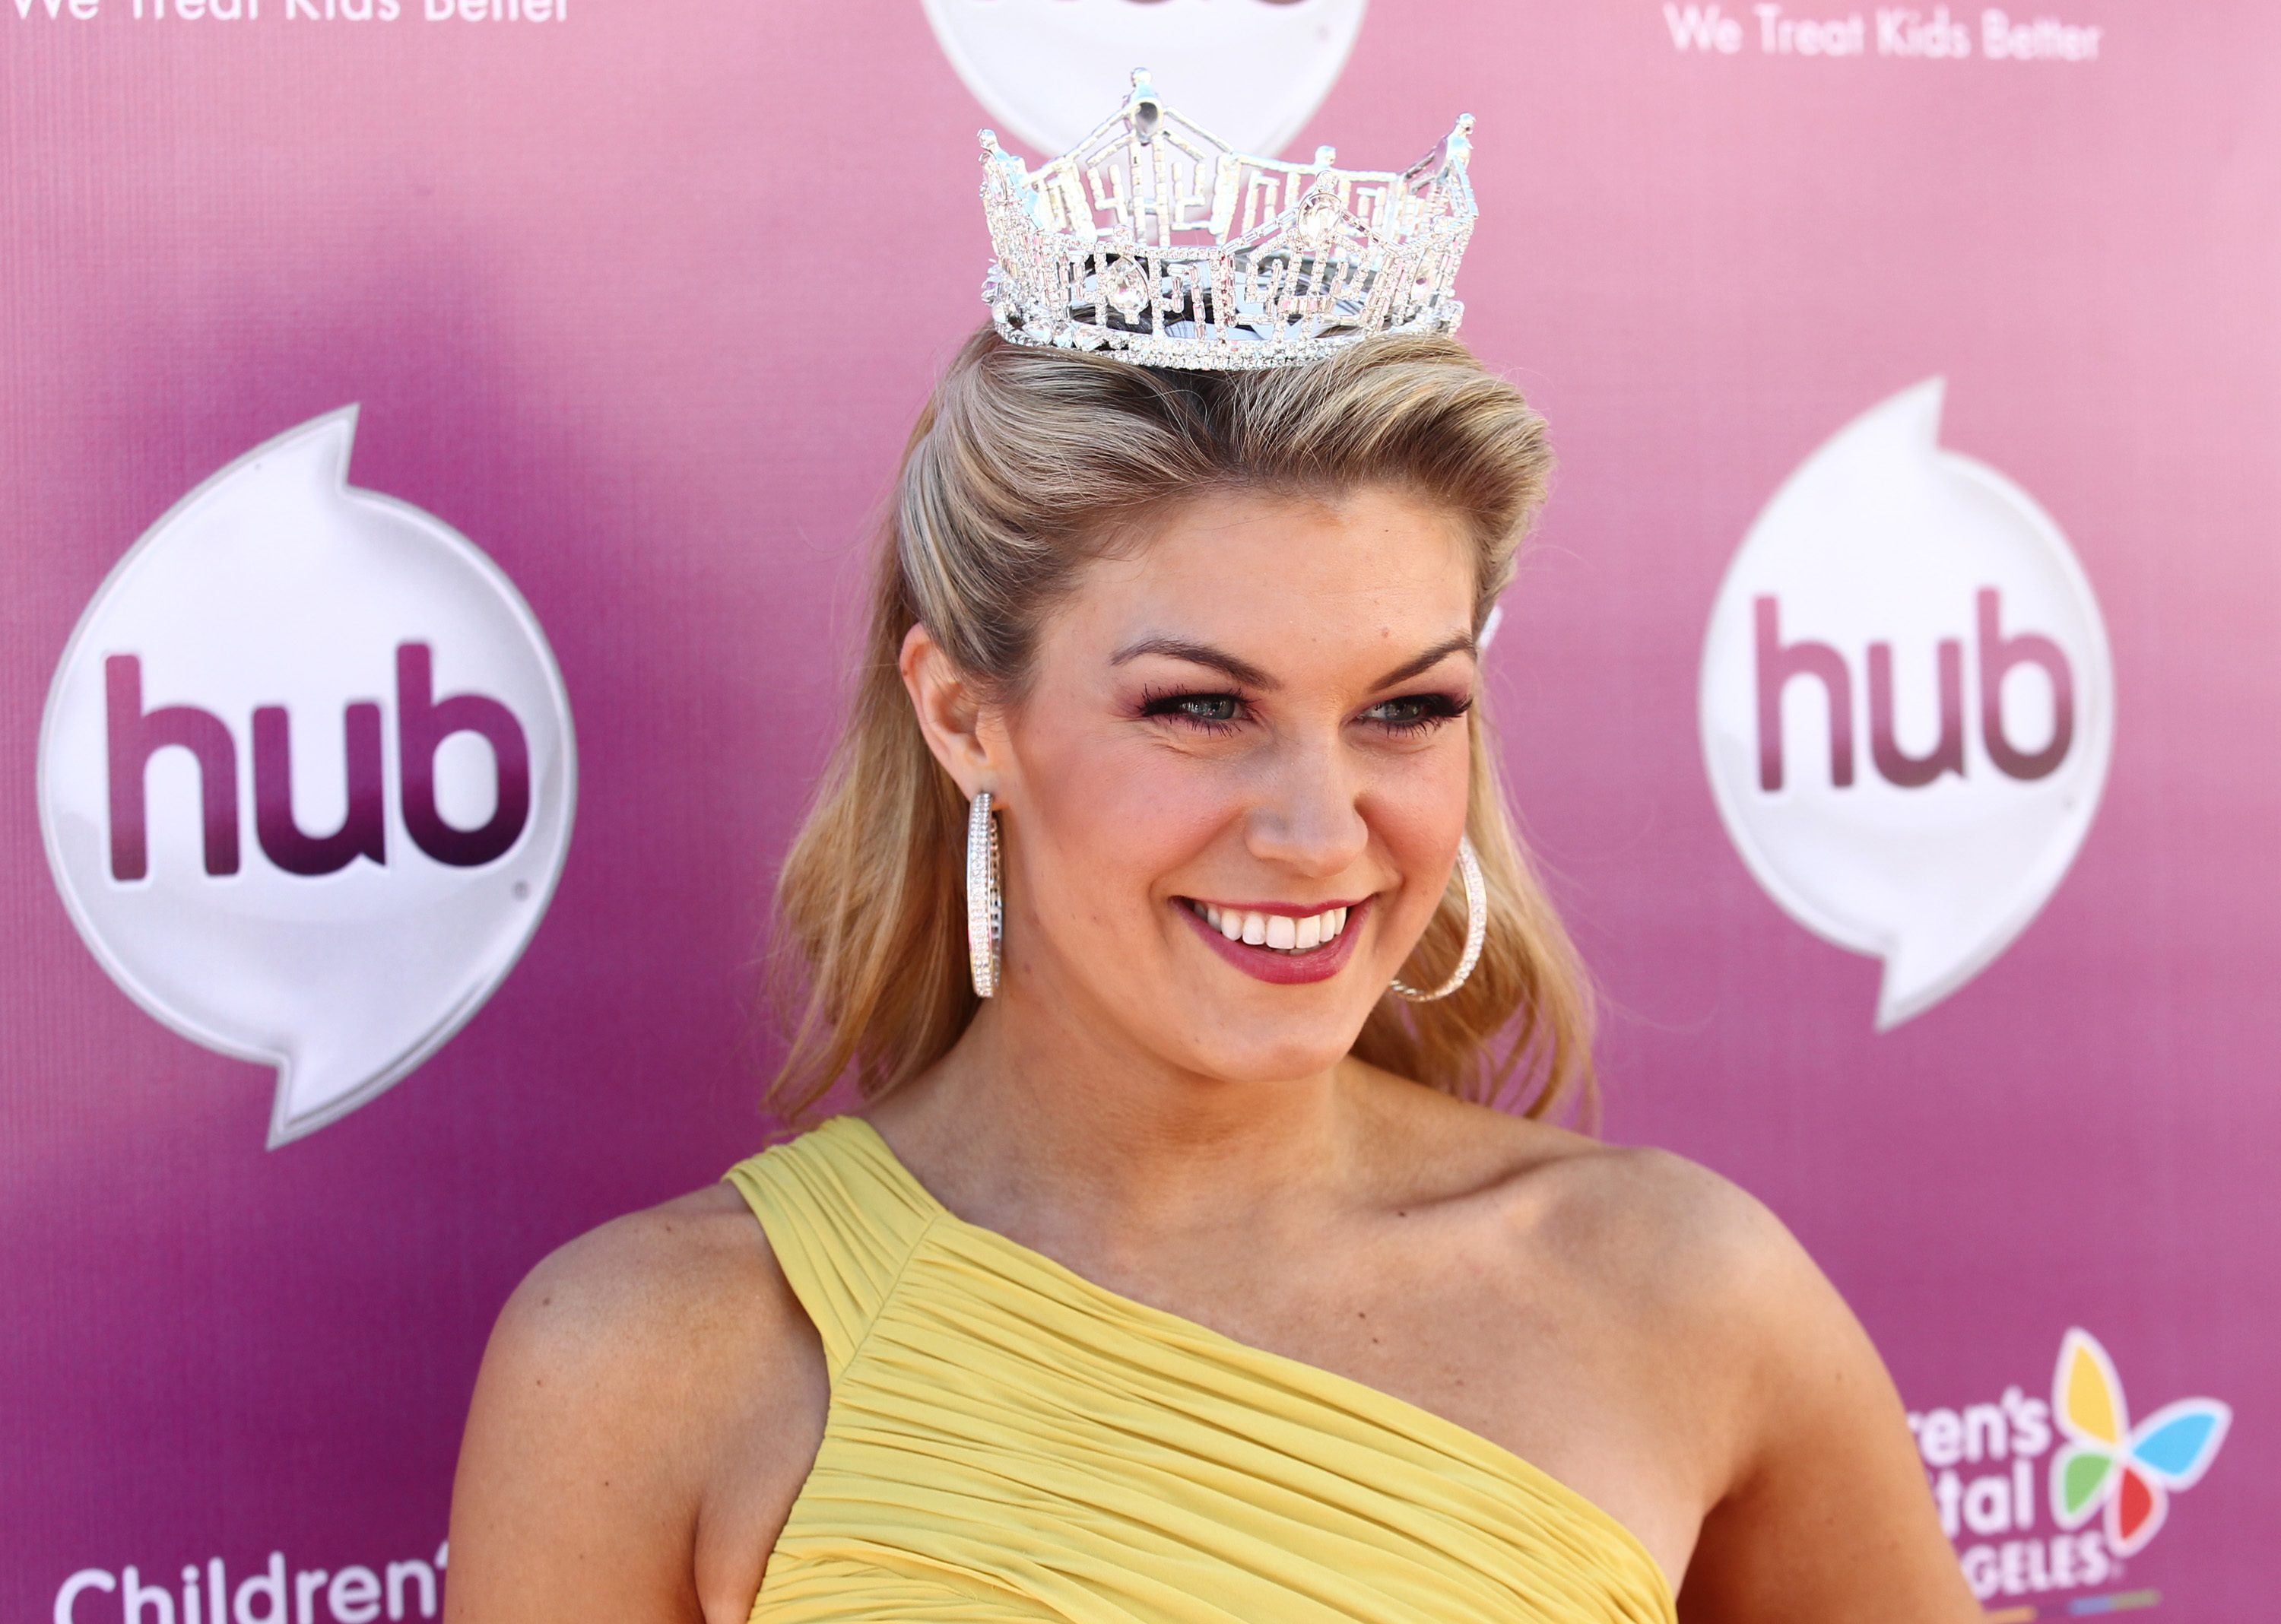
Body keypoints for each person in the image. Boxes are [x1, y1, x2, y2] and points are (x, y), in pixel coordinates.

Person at [445, 77, 1980, 1623]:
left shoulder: (1682, 1294)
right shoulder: (645, 1363)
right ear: (968, 715)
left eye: (1404, 709)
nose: (1321, 834)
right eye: (1197, 708)